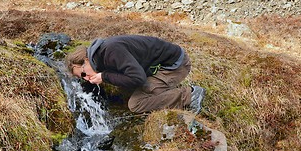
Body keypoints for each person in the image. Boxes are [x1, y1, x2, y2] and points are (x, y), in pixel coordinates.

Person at [65, 34, 205, 114]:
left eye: (83, 74)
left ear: (85, 60)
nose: (87, 79)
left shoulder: (111, 51)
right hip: (160, 65)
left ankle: (190, 95)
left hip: (174, 66)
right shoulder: (102, 54)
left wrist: (104, 76)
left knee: (136, 104)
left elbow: (137, 78)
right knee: (127, 89)